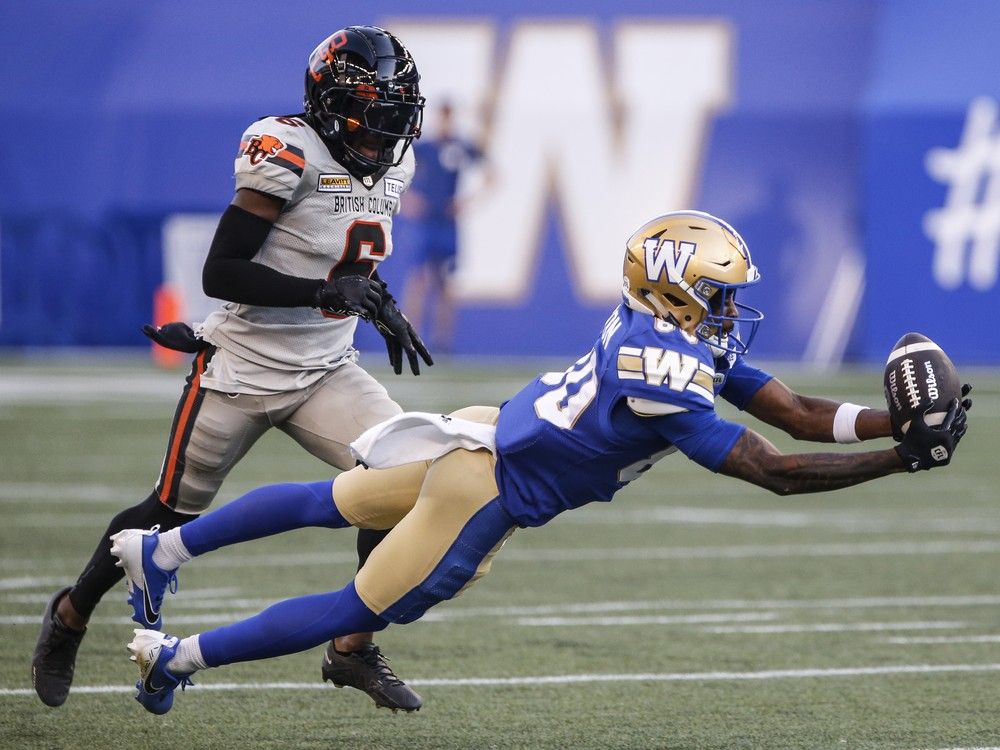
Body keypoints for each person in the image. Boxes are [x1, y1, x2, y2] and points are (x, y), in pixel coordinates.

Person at [108, 210, 970, 715]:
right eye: (719, 294)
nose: (732, 309)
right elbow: (774, 467)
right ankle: (173, 658)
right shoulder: (664, 365)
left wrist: (891, 420)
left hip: (487, 433)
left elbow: (796, 411)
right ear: (676, 291)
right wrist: (903, 457)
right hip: (489, 488)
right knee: (353, 602)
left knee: (330, 500)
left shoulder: (664, 330)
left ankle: (164, 550)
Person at [31, 25, 433, 713]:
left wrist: (378, 301)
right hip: (242, 368)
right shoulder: (285, 149)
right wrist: (320, 294)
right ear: (331, 103)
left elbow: (343, 258)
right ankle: (69, 615)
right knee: (165, 510)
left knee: (402, 482)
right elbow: (222, 271)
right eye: (371, 115)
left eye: (394, 116)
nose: (382, 134)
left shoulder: (395, 165)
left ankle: (353, 649)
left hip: (328, 369)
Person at [400, 102, 490, 353]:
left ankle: (441, 342)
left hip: (447, 224)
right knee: (419, 279)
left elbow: (491, 174)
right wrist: (407, 200)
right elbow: (396, 171)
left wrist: (468, 202)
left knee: (446, 283)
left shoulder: (460, 147)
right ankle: (408, 336)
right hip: (426, 222)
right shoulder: (424, 148)